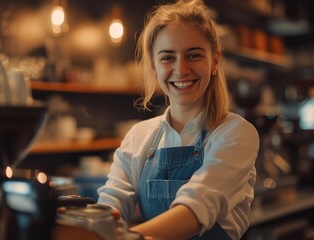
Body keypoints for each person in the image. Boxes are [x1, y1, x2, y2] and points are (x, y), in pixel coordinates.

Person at [97, 0, 259, 239]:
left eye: (193, 55)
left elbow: (196, 208)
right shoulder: (139, 136)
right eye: (167, 58)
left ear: (215, 61)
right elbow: (112, 202)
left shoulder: (236, 133)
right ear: (153, 65)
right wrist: (91, 223)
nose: (181, 69)